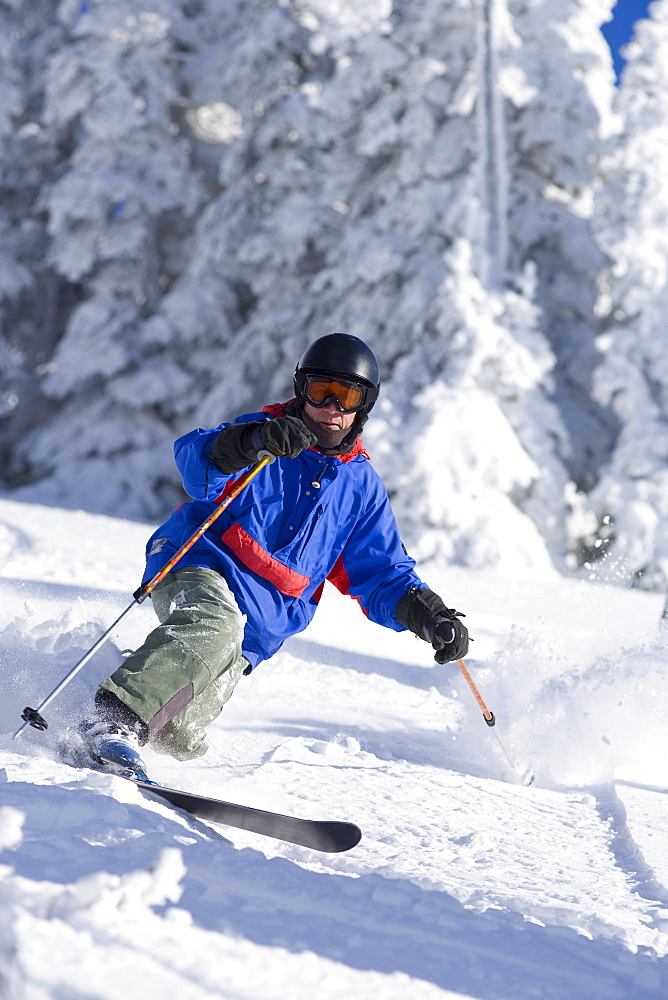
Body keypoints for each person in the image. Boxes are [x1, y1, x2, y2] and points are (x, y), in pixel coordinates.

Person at [66, 333, 469, 780]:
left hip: (261, 626)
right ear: (302, 390)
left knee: (180, 732)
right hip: (199, 562)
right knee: (214, 627)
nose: (332, 407)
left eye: (347, 395)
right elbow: (195, 460)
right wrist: (250, 441)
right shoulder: (267, 435)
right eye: (321, 391)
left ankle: (131, 676)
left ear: (364, 405)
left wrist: (427, 614)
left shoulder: (361, 487)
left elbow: (380, 572)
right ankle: (109, 722)